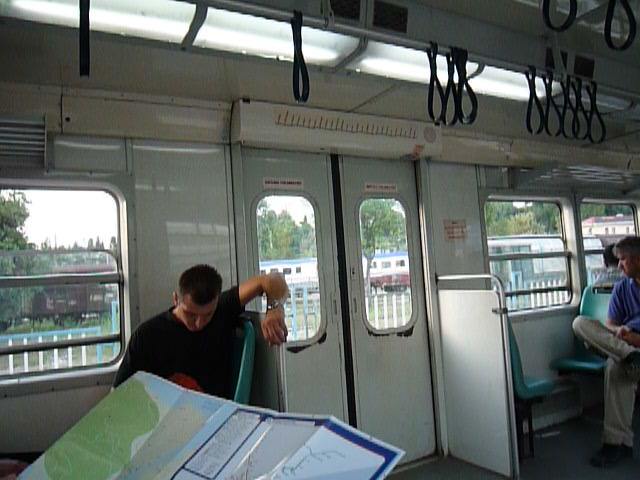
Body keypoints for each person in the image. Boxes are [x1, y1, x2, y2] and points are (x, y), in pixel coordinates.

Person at [113, 264, 289, 397]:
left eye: (207, 315)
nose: (198, 323)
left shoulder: (222, 309)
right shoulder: (147, 336)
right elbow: (118, 393)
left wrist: (274, 308)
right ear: (176, 299)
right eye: (190, 314)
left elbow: (271, 279)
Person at [573, 236, 640, 468]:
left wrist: (635, 338)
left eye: (623, 260)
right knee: (580, 323)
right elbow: (610, 324)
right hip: (625, 345)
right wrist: (621, 333)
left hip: (636, 342)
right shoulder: (622, 288)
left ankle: (617, 444)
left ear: (638, 259)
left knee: (614, 367)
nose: (619, 265)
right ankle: (630, 356)